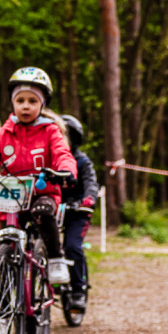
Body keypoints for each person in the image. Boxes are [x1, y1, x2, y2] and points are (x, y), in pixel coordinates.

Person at [0, 67, 77, 284]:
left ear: (42, 104)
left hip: (43, 193)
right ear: (13, 103)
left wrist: (65, 172)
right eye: (20, 100)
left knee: (43, 212)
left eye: (32, 101)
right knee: (6, 242)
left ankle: (56, 258)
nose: (26, 106)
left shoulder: (50, 131)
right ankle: (4, 289)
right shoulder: (2, 134)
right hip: (11, 197)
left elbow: (62, 154)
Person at [60, 115, 98, 309]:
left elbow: (91, 184)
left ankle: (78, 289)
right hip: (54, 210)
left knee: (72, 247)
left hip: (78, 212)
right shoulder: (50, 159)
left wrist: (87, 200)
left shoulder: (82, 161)